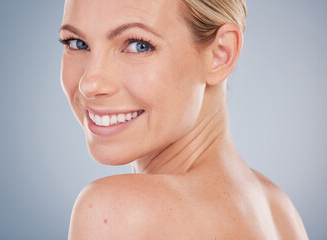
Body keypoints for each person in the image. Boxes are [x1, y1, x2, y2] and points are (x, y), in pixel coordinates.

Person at [59, 0, 309, 239]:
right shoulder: (280, 210)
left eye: (138, 45)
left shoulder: (119, 209)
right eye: (77, 43)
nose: (89, 84)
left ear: (221, 53)